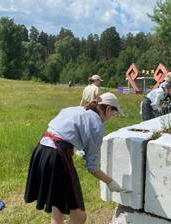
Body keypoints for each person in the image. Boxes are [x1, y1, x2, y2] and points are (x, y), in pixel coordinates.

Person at [24, 92, 128, 224]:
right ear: (107, 109)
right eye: (114, 113)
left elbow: (65, 132)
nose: (113, 116)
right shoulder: (97, 125)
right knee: (79, 216)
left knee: (58, 207)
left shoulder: (74, 109)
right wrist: (110, 182)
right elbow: (92, 167)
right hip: (57, 157)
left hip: (41, 150)